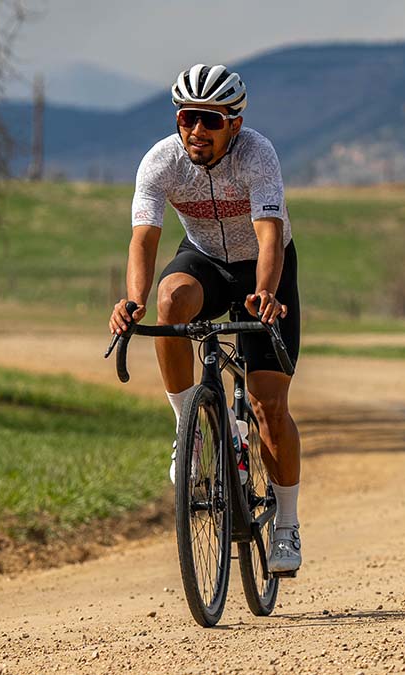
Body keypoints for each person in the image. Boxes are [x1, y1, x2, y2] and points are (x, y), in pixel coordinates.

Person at [107, 64, 303, 574]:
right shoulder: (161, 162)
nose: (196, 130)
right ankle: (187, 429)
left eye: (209, 121)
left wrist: (264, 293)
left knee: (268, 407)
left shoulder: (258, 155)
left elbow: (267, 235)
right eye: (187, 118)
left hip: (264, 267)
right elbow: (143, 240)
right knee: (171, 300)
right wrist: (133, 300)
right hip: (206, 262)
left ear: (233, 125)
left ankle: (286, 523)